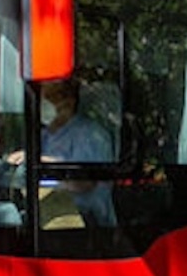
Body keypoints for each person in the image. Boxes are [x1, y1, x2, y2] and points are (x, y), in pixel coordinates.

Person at [9, 79, 117, 227]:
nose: (44, 103)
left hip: (86, 224)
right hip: (46, 216)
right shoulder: (44, 135)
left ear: (69, 101)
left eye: (51, 97)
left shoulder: (90, 134)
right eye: (42, 98)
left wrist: (40, 162)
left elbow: (84, 182)